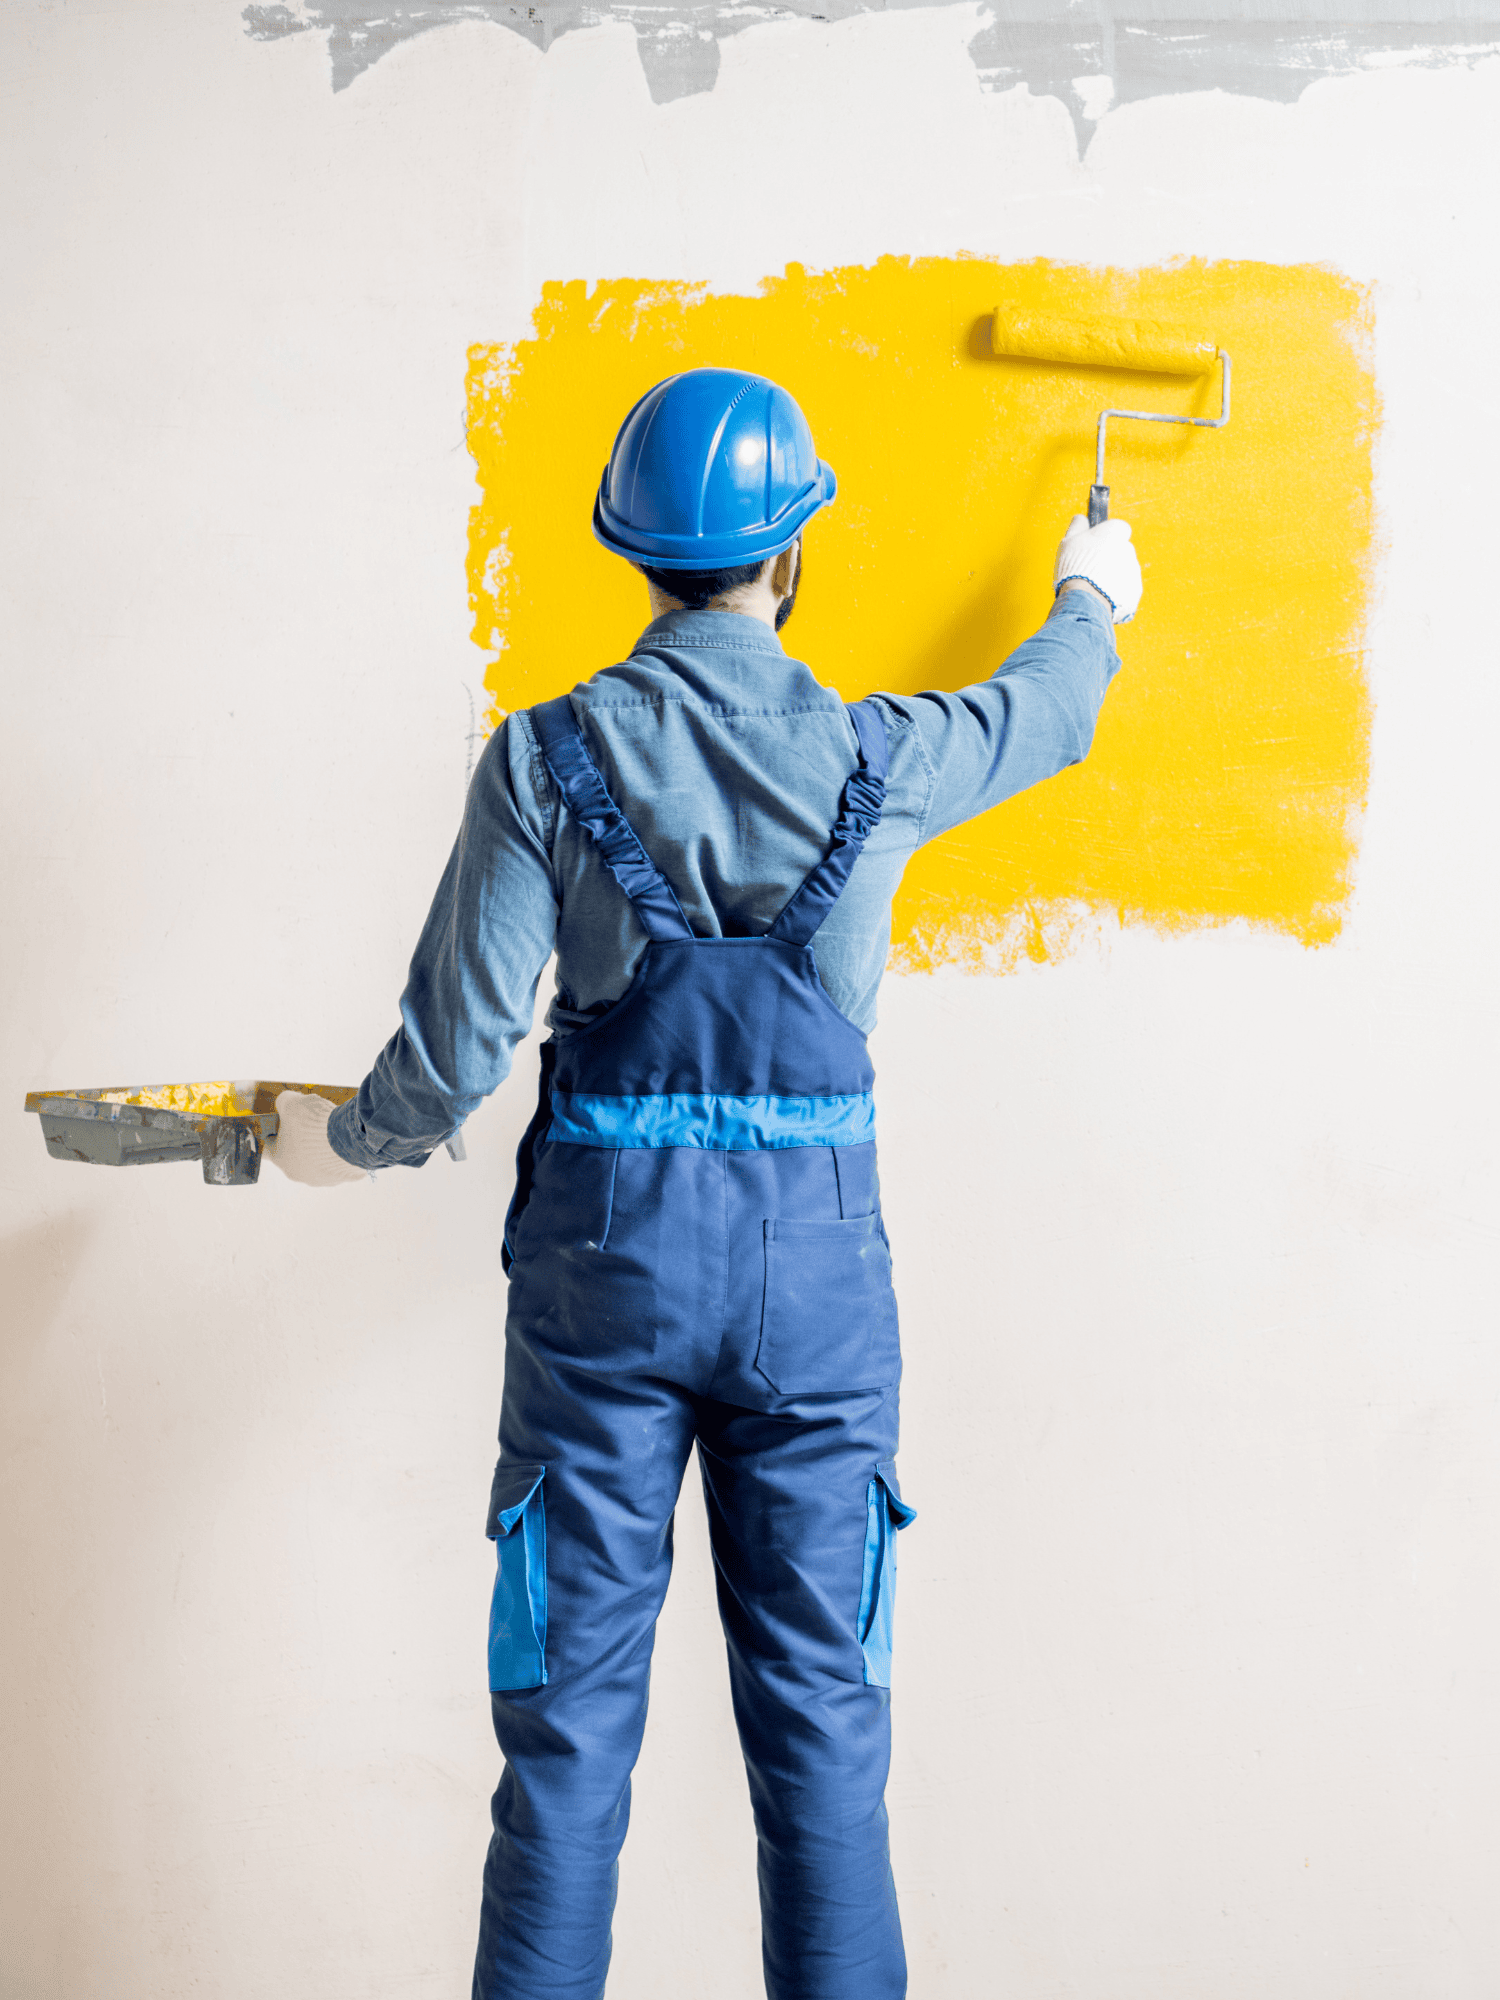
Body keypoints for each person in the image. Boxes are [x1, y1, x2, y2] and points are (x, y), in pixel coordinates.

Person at [269, 367, 1142, 2000]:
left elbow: (451, 1062)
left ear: (635, 553)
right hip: (817, 1300)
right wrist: (1091, 593)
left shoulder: (544, 759)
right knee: (826, 1756)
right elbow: (1053, 708)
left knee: (565, 1757)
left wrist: (335, 1145)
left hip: (603, 1293)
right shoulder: (888, 755)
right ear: (791, 554)